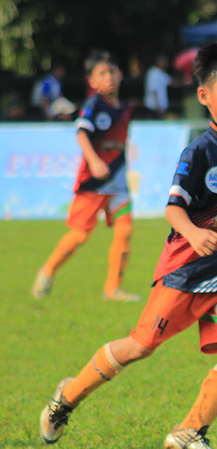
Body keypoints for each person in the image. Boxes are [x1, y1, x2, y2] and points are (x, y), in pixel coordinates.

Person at [38, 39, 217, 449]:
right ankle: (66, 396)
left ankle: (190, 431)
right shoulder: (199, 151)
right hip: (188, 270)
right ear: (204, 96)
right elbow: (174, 210)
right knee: (139, 345)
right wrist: (195, 234)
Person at [32, 50, 141, 302]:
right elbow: (81, 133)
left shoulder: (125, 108)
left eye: (112, 71)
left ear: (121, 74)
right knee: (80, 235)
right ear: (92, 81)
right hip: (94, 181)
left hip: (118, 180)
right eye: (102, 73)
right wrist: (94, 161)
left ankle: (113, 289)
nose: (109, 77)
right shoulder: (94, 105)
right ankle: (47, 271)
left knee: (125, 230)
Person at [144, 53, 173, 118]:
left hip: (160, 109)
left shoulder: (161, 73)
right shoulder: (153, 73)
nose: (166, 64)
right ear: (159, 61)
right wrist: (159, 108)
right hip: (154, 109)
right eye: (164, 62)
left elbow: (171, 82)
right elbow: (154, 91)